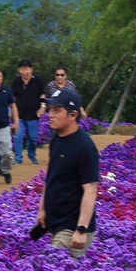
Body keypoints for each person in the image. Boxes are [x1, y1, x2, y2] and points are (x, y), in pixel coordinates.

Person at [29, 87, 99, 255]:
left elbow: (90, 190)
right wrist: (43, 209)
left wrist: (81, 229)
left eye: (56, 110)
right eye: (50, 109)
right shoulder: (57, 139)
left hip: (71, 228)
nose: (50, 115)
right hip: (56, 223)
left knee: (52, 263)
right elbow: (51, 177)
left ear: (73, 115)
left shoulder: (84, 147)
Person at [12, 59, 45, 166]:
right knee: (18, 137)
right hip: (19, 115)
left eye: (26, 69)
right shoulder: (16, 82)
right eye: (22, 69)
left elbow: (42, 95)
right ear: (19, 70)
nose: (24, 72)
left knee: (33, 138)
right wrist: (11, 111)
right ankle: (18, 158)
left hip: (33, 115)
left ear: (31, 69)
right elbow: (12, 98)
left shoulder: (38, 80)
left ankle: (32, 155)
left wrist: (43, 107)